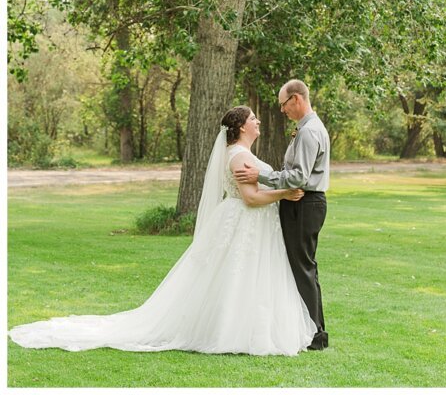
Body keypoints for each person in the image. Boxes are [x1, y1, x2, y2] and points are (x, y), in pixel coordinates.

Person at [9, 106, 315, 355]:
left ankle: (238, 327)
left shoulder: (236, 153)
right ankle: (232, 332)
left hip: (243, 223)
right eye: (252, 119)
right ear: (240, 127)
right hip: (243, 221)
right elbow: (250, 198)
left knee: (237, 277)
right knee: (238, 276)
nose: (258, 121)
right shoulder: (240, 156)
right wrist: (284, 194)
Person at [234, 79, 330, 351]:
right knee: (302, 267)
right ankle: (311, 330)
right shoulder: (306, 129)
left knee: (302, 268)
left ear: (297, 99)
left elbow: (299, 176)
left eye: (283, 104)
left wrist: (260, 175)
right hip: (300, 202)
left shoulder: (310, 132)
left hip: (304, 202)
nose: (282, 110)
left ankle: (315, 334)